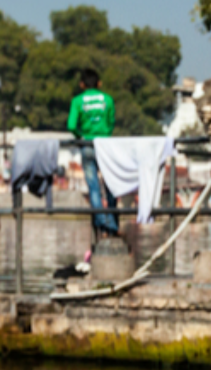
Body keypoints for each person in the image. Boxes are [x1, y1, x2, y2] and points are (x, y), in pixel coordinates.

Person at [69, 69, 119, 268]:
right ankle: (113, 224)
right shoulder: (108, 99)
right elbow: (112, 122)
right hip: (106, 146)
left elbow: (71, 125)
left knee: (94, 187)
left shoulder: (77, 101)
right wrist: (104, 132)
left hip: (88, 146)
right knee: (112, 185)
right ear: (99, 83)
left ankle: (102, 222)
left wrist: (81, 135)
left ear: (82, 85)